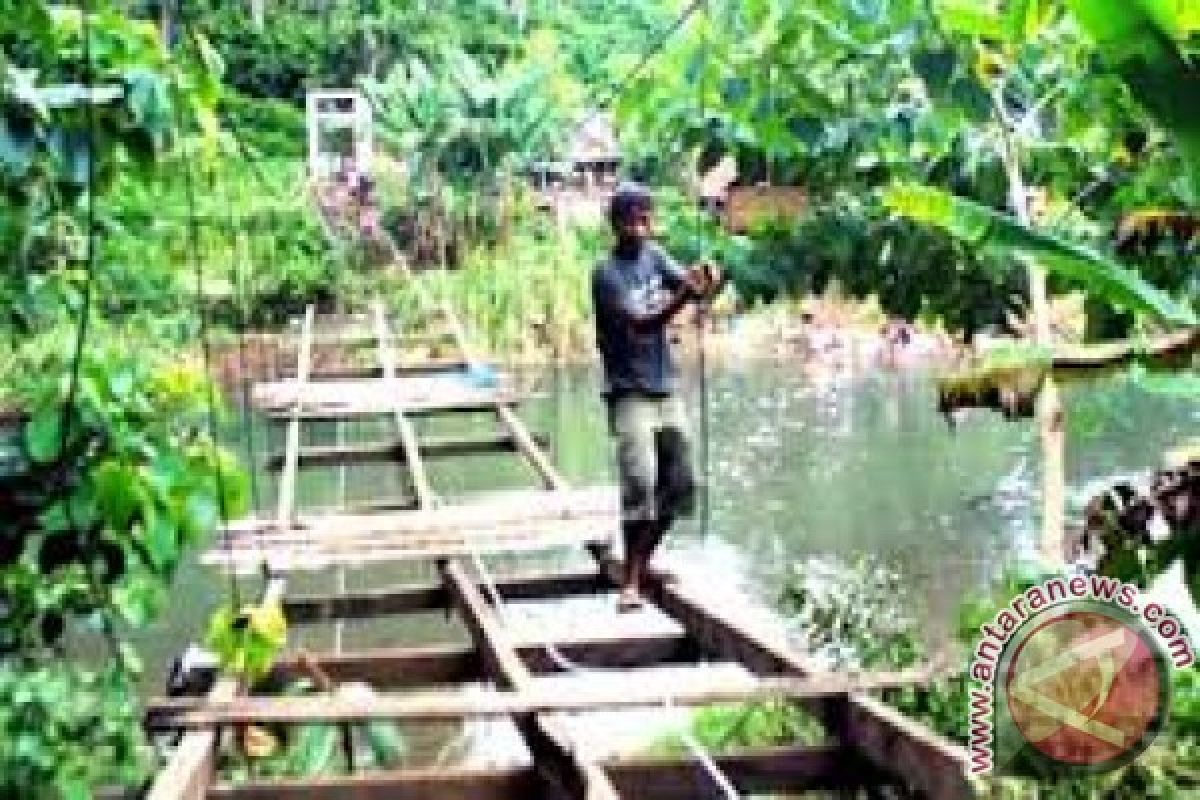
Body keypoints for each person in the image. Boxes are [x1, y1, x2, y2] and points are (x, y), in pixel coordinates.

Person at [592, 183, 721, 611]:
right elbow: (642, 324)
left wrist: (704, 283)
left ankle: (644, 562)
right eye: (633, 220)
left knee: (681, 482)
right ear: (616, 224)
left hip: (664, 387)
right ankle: (630, 583)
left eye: (647, 219)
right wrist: (684, 296)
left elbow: (689, 285)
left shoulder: (655, 257)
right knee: (640, 482)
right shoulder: (606, 274)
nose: (642, 228)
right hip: (629, 391)